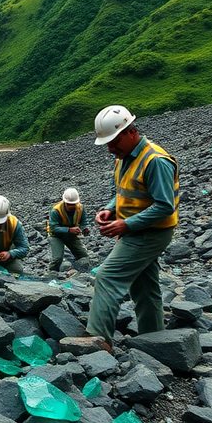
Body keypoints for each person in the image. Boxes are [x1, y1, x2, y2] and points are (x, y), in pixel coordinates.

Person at [86, 105, 179, 347]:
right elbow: (125, 191)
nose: (110, 148)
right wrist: (110, 209)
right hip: (137, 229)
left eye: (113, 142)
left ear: (130, 132)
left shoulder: (155, 161)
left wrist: (125, 225)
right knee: (144, 287)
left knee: (107, 277)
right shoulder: (124, 157)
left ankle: (98, 341)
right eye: (107, 143)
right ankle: (155, 341)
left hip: (150, 232)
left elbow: (164, 206)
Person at [47, 187, 91, 274]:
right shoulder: (56, 211)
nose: (72, 206)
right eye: (69, 204)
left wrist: (85, 228)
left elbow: (83, 221)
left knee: (83, 255)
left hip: (71, 235)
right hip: (56, 236)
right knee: (57, 258)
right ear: (64, 202)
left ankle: (78, 271)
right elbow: (53, 228)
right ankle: (52, 273)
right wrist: (69, 230)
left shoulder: (80, 209)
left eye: (74, 204)